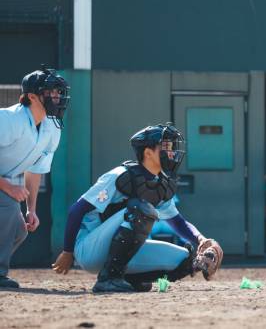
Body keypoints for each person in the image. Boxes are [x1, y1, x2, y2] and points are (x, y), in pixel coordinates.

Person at [51, 124, 223, 293]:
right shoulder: (120, 175)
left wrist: (201, 239)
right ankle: (108, 279)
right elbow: (76, 210)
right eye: (165, 147)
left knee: (187, 259)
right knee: (141, 209)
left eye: (171, 147)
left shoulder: (160, 183)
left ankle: (129, 279)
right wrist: (68, 252)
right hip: (89, 249)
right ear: (148, 153)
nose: (170, 152)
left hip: (121, 250)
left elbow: (177, 222)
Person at [0, 67, 69, 288]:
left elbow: (36, 169)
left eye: (59, 91)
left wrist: (31, 209)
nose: (57, 96)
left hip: (4, 181)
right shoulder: (9, 119)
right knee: (9, 210)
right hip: (3, 182)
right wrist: (8, 188)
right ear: (31, 96)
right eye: (50, 91)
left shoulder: (52, 127)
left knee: (20, 229)